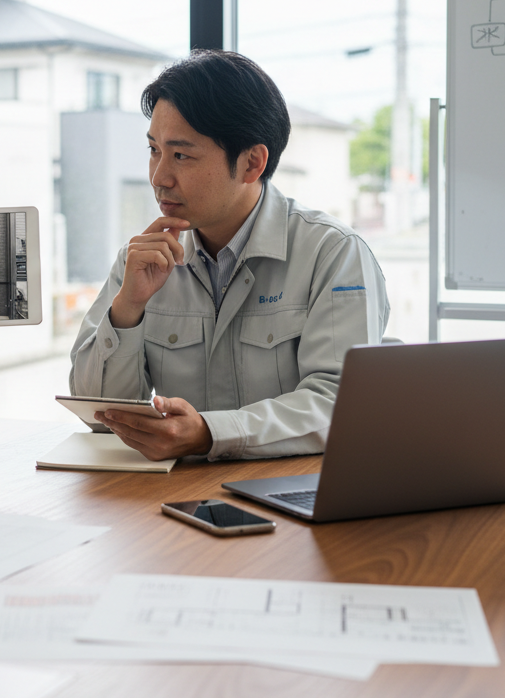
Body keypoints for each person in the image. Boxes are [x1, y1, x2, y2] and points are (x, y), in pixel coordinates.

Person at [70, 49, 389, 463]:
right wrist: (127, 309)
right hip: (178, 496)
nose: (159, 177)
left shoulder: (333, 254)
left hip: (291, 492)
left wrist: (210, 433)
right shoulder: (142, 261)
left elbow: (339, 404)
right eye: (153, 150)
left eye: (181, 155)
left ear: (252, 163)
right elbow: (100, 415)